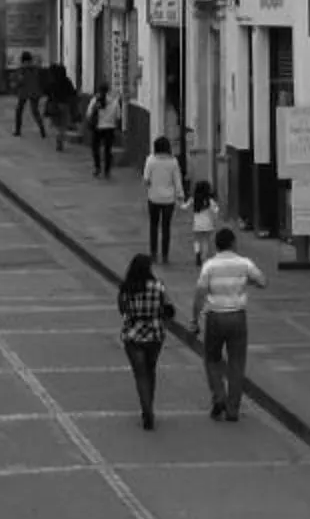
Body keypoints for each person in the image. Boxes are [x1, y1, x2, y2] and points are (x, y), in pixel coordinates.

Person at [192, 227, 266, 421]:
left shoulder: (209, 266)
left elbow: (200, 294)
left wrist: (194, 318)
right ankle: (233, 409)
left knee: (212, 358)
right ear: (233, 243)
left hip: (215, 316)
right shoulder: (244, 263)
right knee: (236, 363)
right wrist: (247, 282)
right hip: (237, 316)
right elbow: (262, 281)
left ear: (216, 245)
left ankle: (219, 395)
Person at [114, 252, 176, 430]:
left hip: (133, 334)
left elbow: (122, 309)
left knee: (140, 374)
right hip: (155, 334)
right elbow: (169, 309)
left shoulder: (126, 288)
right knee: (151, 370)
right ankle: (150, 405)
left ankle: (146, 409)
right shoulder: (158, 287)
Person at [140, 137, 183, 262]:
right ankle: (165, 255)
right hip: (169, 199)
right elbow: (177, 181)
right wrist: (180, 195)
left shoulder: (151, 160)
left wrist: (150, 186)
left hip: (153, 198)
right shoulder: (173, 161)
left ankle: (153, 253)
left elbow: (146, 179)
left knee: (153, 226)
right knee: (166, 227)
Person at [185, 179, 221, 267]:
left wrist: (180, 202)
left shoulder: (194, 199)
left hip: (197, 224)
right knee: (205, 241)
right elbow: (216, 210)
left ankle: (197, 253)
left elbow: (185, 206)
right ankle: (204, 259)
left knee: (197, 240)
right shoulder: (209, 200)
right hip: (208, 224)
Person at [84, 84, 116, 177]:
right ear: (108, 90)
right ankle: (107, 170)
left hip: (97, 127)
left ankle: (97, 167)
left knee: (95, 148)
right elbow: (118, 116)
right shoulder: (114, 101)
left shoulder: (94, 100)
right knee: (108, 150)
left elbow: (88, 114)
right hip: (110, 127)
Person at [10, 51, 41, 135]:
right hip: (35, 92)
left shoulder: (22, 70)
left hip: (24, 93)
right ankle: (42, 129)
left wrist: (15, 84)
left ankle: (18, 131)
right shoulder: (35, 69)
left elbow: (20, 81)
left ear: (23, 60)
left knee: (19, 111)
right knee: (35, 111)